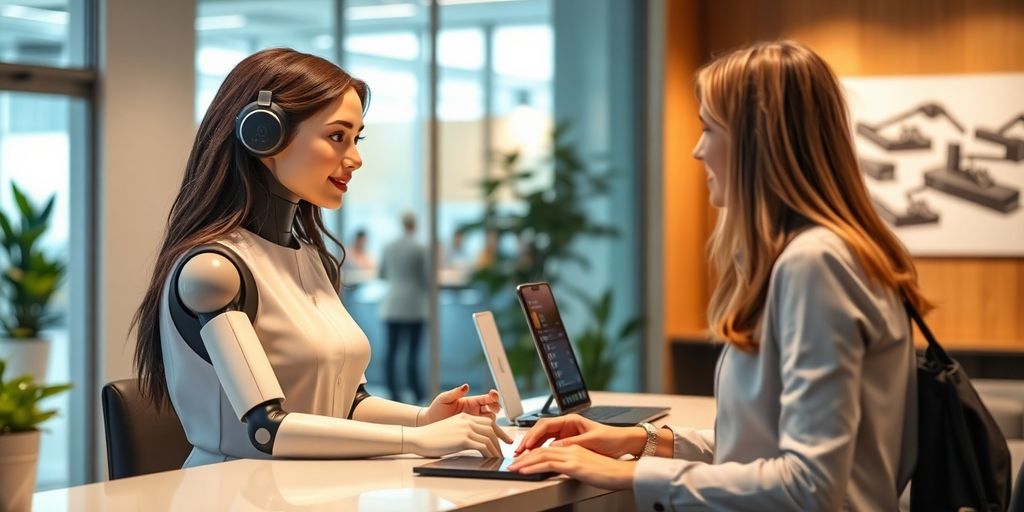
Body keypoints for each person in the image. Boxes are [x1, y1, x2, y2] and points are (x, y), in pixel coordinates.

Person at [509, 40, 930, 511]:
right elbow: (759, 449)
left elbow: (808, 486)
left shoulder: (816, 264)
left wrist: (634, 473)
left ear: (759, 141)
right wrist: (636, 440)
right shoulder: (821, 255)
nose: (697, 150)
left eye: (709, 129)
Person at [130, 48, 511, 468]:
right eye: (336, 137)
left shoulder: (310, 260)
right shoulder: (214, 272)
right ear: (263, 134)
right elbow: (266, 429)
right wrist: (417, 440)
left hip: (314, 489)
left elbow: (344, 404)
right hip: (234, 493)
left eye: (356, 139)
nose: (355, 158)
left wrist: (425, 419)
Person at [379, 212, 428, 403]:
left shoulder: (388, 246)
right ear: (415, 224)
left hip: (392, 304)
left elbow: (382, 274)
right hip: (414, 305)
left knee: (391, 351)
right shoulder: (420, 247)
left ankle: (392, 391)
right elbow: (426, 278)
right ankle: (417, 391)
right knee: (413, 352)